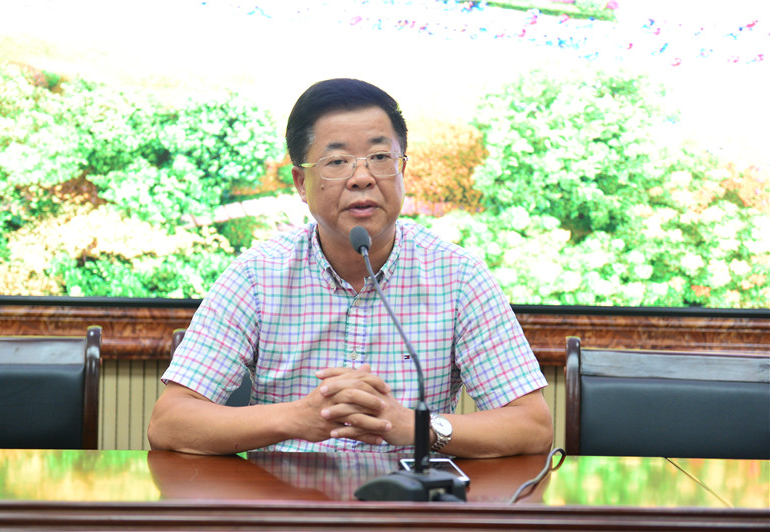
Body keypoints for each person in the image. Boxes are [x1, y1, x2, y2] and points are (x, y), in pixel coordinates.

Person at [148, 78, 553, 457]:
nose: (362, 177)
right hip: (283, 498)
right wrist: (297, 418)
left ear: (402, 170)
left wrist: (415, 427)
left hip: (409, 499)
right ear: (300, 183)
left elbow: (532, 426)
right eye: (338, 161)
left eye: (379, 157)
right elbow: (169, 424)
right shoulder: (256, 276)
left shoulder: (458, 277)